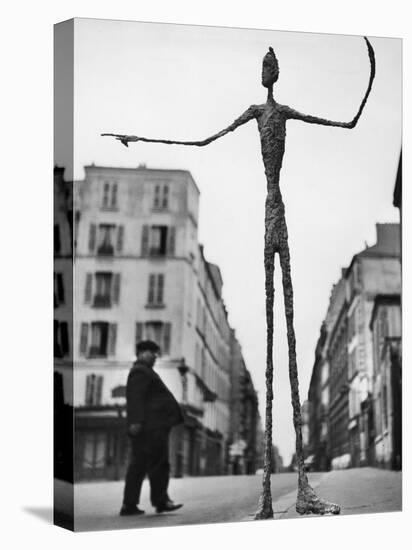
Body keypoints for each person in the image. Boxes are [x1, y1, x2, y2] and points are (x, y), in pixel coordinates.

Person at [120, 340, 184, 516]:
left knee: (139, 465)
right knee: (158, 464)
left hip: (148, 426)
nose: (156, 356)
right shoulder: (140, 371)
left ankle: (129, 505)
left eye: (156, 353)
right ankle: (161, 501)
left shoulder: (144, 371)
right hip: (151, 428)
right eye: (152, 352)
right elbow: (135, 398)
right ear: (141, 353)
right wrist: (136, 422)